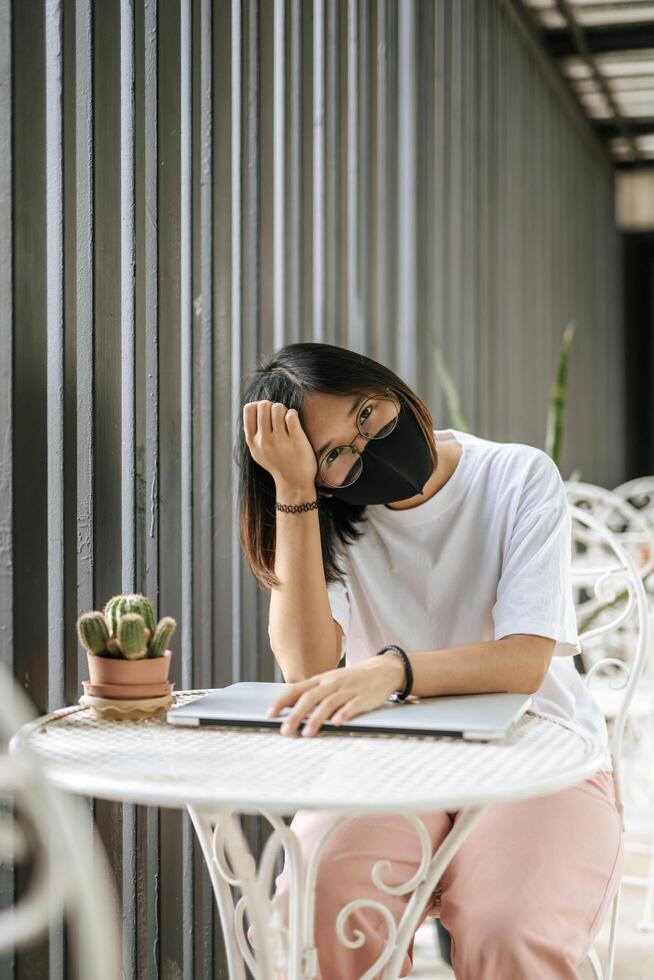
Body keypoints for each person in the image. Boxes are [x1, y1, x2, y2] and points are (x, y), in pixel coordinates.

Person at [238, 341, 624, 980]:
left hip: (537, 750)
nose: (366, 447)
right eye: (334, 453)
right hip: (389, 757)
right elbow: (306, 669)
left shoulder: (518, 476)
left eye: (366, 415)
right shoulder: (328, 518)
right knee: (311, 913)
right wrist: (294, 490)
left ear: (387, 385)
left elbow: (523, 663)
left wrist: (390, 670)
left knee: (510, 931)